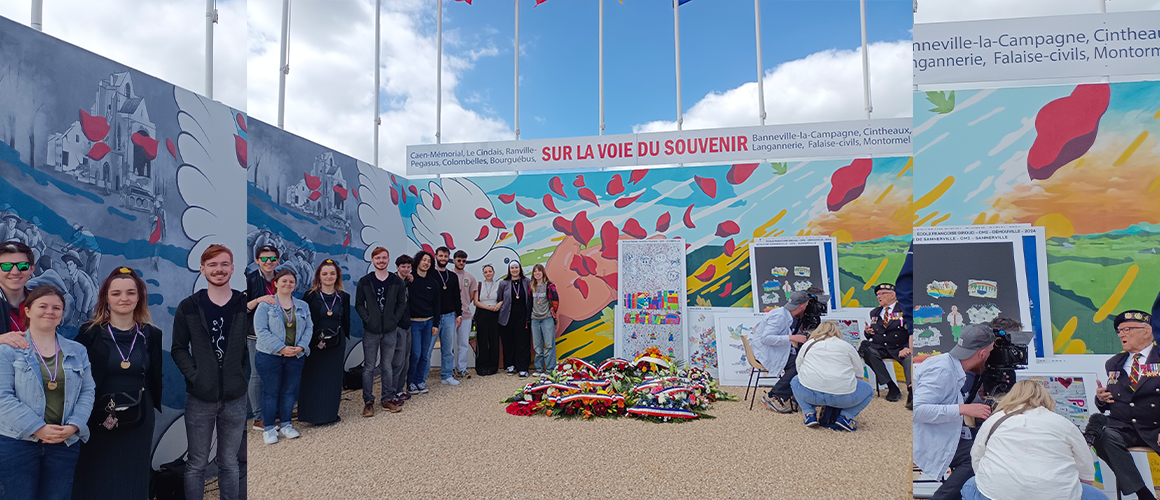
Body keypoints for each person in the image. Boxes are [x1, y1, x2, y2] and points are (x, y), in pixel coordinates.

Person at [72, 268, 163, 500]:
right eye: (116, 293)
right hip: (98, 414)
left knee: (133, 476)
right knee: (94, 473)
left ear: (139, 297)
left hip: (138, 417)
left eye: (131, 293)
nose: (124, 298)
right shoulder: (89, 332)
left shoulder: (151, 334)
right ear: (106, 298)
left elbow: (154, 375)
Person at [0, 285, 95, 500]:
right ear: (28, 310)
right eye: (42, 306)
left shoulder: (77, 351)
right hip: (17, 443)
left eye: (57, 308)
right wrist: (38, 428)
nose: (50, 311)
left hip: (64, 444)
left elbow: (87, 391)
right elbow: (3, 397)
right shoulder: (7, 350)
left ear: (62, 314)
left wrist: (74, 425)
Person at [171, 244, 249, 500]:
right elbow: (179, 348)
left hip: (235, 399)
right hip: (199, 398)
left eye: (224, 264)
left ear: (232, 268)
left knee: (229, 463)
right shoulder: (188, 306)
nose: (219, 270)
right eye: (212, 265)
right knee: (197, 464)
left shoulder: (242, 303)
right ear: (202, 269)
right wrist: (195, 377)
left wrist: (241, 376)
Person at [960, 380, 1103, 500]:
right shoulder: (1063, 423)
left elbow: (977, 458)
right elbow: (1086, 472)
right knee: (1096, 495)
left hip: (996, 493)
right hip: (1054, 494)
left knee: (970, 485)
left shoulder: (995, 419)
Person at [913, 323, 996, 500]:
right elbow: (917, 410)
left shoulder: (951, 365)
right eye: (990, 351)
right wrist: (964, 409)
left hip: (946, 431)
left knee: (979, 446)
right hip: (929, 436)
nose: (991, 356)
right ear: (982, 354)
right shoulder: (942, 370)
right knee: (978, 456)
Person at [1093, 310, 1158, 500]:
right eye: (1119, 331)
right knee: (1099, 431)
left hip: (1156, 427)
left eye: (1126, 329)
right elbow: (1115, 399)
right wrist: (1101, 399)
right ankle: (1143, 494)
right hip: (1124, 428)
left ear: (1147, 331)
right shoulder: (1114, 363)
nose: (1121, 334)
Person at [254, 269, 313, 445]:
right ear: (276, 283)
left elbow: (309, 327)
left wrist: (301, 346)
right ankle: (269, 428)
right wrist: (281, 348)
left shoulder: (303, 306)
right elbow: (261, 330)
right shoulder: (266, 306)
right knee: (271, 392)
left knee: (289, 391)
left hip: (296, 355)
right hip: (269, 355)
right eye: (284, 281)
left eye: (291, 282)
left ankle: (287, 424)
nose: (288, 284)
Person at [789, 321, 873, 431]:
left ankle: (809, 414)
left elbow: (799, 368)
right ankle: (846, 417)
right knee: (869, 391)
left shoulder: (808, 344)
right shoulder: (846, 346)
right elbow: (859, 373)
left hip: (811, 394)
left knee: (795, 381)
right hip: (841, 397)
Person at [354, 248, 407, 416]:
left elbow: (401, 303)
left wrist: (394, 320)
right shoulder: (365, 281)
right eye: (378, 258)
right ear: (372, 260)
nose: (381, 260)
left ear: (388, 259)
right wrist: (368, 320)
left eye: (384, 258)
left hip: (390, 330)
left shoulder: (396, 281)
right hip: (371, 331)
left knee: (387, 366)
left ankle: (387, 399)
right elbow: (359, 304)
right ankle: (368, 402)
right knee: (369, 367)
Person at [299, 259, 350, 425]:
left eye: (332, 273)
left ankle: (329, 414)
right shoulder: (310, 296)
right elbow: (304, 320)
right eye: (325, 273)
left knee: (333, 379)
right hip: (315, 343)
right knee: (314, 378)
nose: (329, 276)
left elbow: (346, 318)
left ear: (337, 276)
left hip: (336, 343)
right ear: (319, 276)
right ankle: (312, 415)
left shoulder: (343, 296)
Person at [754, 291, 811, 413]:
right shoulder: (780, 316)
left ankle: (790, 393)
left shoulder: (783, 313)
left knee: (804, 359)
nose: (806, 308)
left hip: (775, 349)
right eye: (806, 305)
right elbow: (766, 338)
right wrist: (792, 338)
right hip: (766, 352)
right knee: (799, 365)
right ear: (801, 306)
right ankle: (774, 396)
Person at [244, 244, 280, 430]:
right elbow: (240, 309)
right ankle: (258, 417)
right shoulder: (249, 280)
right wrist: (259, 300)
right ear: (257, 260)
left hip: (279, 335)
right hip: (256, 336)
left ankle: (275, 412)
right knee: (257, 376)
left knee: (276, 373)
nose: (268, 262)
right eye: (264, 258)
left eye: (272, 258)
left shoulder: (281, 279)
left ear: (278, 260)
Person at [860, 283, 912, 405]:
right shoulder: (875, 312)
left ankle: (912, 391)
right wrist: (868, 332)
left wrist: (908, 347)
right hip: (881, 347)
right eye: (877, 294)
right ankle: (892, 387)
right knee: (865, 348)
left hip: (899, 347)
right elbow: (873, 333)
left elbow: (913, 332)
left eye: (883, 293)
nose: (879, 296)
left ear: (893, 295)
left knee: (910, 358)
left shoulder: (904, 310)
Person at [406, 251, 441, 394]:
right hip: (414, 323)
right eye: (424, 260)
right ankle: (411, 382)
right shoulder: (409, 280)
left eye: (429, 261)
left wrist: (436, 324)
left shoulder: (433, 282)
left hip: (429, 322)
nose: (426, 263)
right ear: (418, 261)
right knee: (415, 353)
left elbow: (437, 304)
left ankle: (420, 381)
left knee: (425, 354)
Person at [432, 247, 462, 386]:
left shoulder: (453, 276)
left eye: (445, 256)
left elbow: (457, 296)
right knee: (427, 349)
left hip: (450, 316)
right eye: (441, 256)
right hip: (433, 317)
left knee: (448, 348)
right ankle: (420, 379)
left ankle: (446, 375)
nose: (443, 258)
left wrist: (459, 314)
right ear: (436, 256)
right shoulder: (430, 273)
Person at [497, 261, 532, 378]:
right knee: (508, 342)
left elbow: (530, 297)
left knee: (523, 342)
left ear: (520, 269)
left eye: (516, 267)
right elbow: (499, 298)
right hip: (507, 317)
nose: (514, 270)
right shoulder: (503, 283)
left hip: (523, 316)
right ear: (509, 270)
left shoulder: (527, 282)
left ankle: (523, 367)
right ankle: (510, 365)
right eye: (512, 268)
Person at [0, 242, 35, 350]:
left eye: (22, 266)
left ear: (32, 269)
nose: (15, 272)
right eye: (6, 266)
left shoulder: (41, 303)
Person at [528, 264, 559, 377]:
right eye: (535, 271)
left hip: (547, 319)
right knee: (537, 345)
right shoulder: (531, 286)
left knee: (549, 344)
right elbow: (529, 303)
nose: (537, 273)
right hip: (535, 319)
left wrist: (551, 313)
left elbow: (555, 301)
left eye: (539, 271)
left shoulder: (549, 285)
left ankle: (550, 369)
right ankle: (539, 368)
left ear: (543, 272)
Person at [391, 255, 414, 402]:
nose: (406, 269)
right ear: (397, 267)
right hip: (397, 326)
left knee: (406, 361)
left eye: (408, 267)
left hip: (407, 324)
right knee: (397, 361)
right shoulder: (392, 282)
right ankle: (391, 392)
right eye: (403, 266)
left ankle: (400, 390)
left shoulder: (407, 281)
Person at [472, 265, 501, 376]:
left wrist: (498, 305)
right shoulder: (478, 285)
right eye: (486, 272)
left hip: (495, 314)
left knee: (494, 341)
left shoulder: (498, 285)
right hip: (482, 314)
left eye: (490, 271)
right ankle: (481, 366)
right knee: (482, 341)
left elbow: (502, 298)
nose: (488, 273)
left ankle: (493, 367)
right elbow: (476, 302)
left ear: (493, 272)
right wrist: (488, 307)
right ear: (483, 274)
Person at [452, 250, 477, 379]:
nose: (461, 263)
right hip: (449, 315)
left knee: (463, 344)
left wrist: (465, 305)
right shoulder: (448, 274)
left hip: (466, 315)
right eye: (459, 260)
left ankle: (461, 368)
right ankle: (448, 369)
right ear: (454, 260)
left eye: (464, 261)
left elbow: (471, 296)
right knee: (448, 344)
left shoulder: (470, 277)